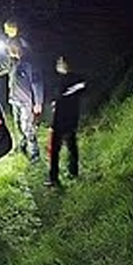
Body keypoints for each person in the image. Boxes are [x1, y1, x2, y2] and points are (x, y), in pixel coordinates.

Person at [3, 21, 43, 161]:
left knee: (28, 127)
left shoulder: (29, 63)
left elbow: (37, 83)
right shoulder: (13, 63)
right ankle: (22, 145)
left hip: (26, 101)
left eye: (9, 49)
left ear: (16, 48)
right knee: (18, 125)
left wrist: (38, 103)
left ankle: (34, 154)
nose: (8, 52)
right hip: (15, 99)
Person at [46, 55, 86, 187]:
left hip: (61, 118)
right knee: (71, 145)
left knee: (55, 149)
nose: (58, 64)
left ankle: (54, 178)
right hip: (72, 118)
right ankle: (73, 172)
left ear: (65, 64)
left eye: (60, 62)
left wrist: (59, 99)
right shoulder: (77, 79)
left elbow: (61, 97)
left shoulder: (64, 80)